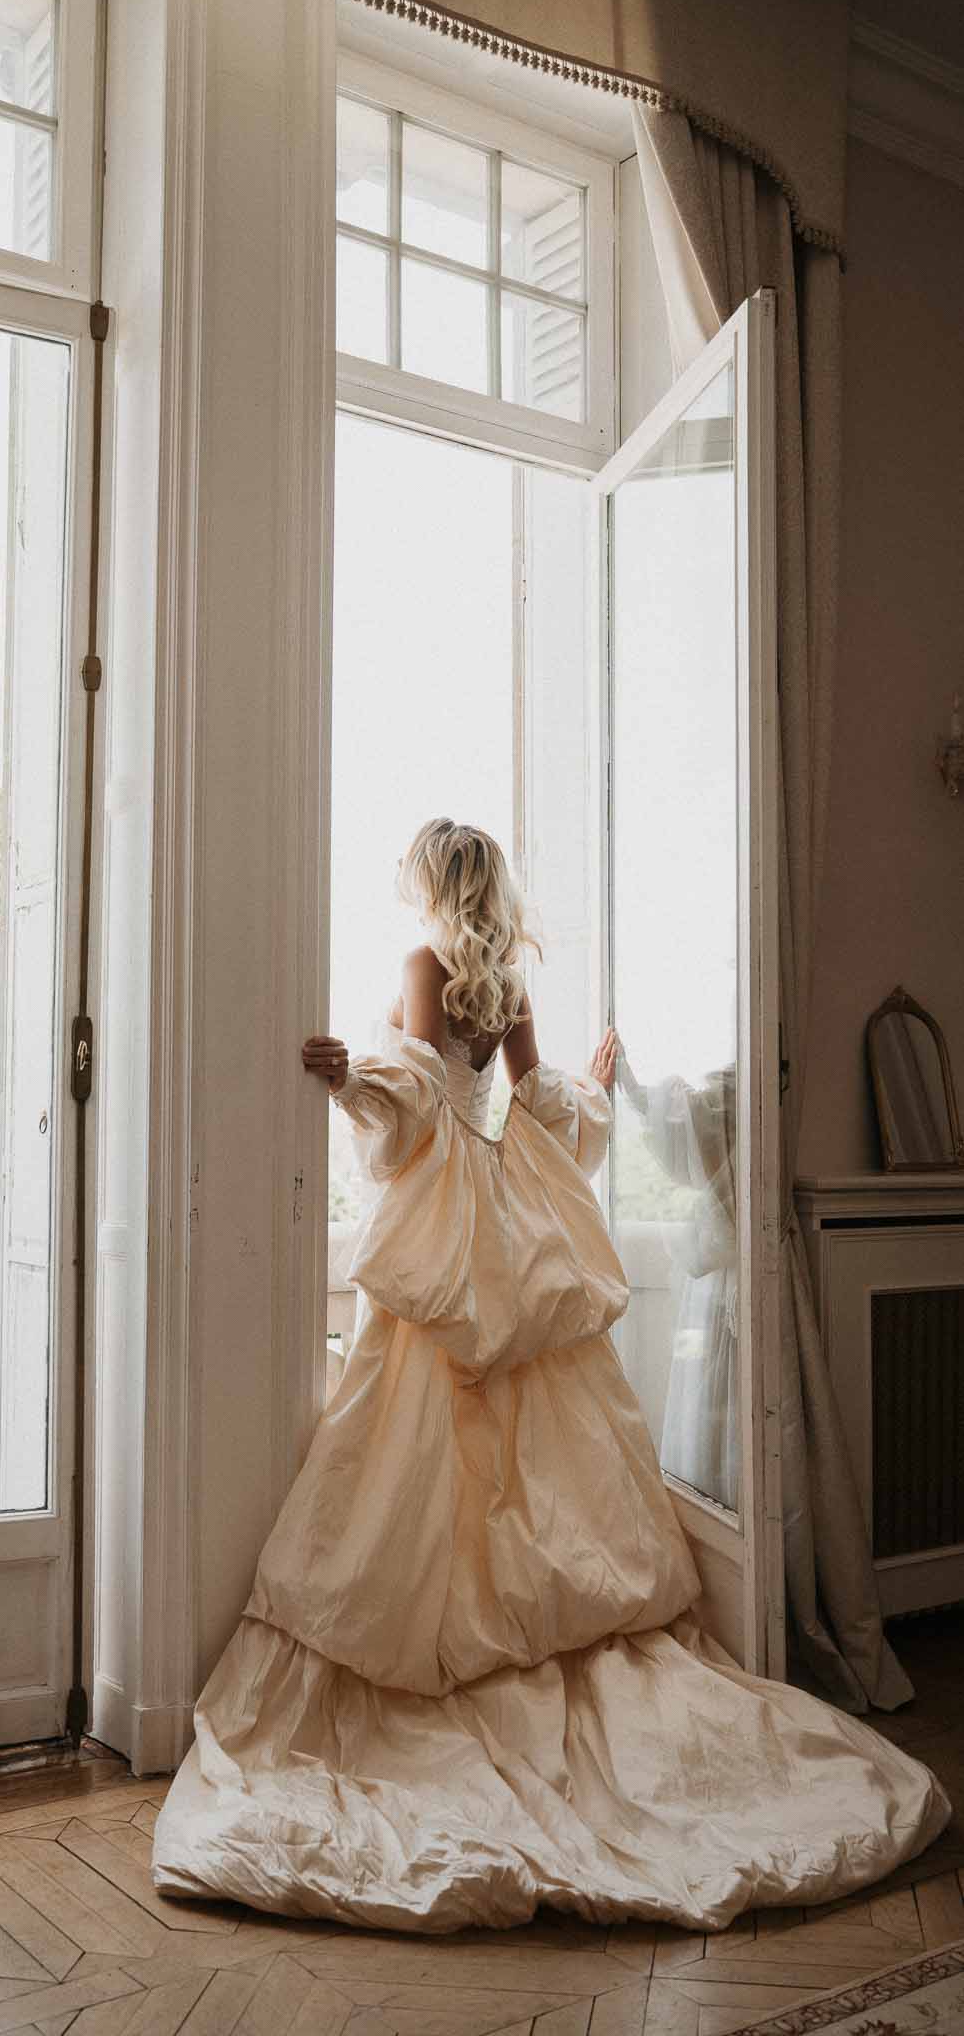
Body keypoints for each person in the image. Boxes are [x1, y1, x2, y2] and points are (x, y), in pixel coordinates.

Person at [150, 817, 949, 1934]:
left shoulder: (427, 963)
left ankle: (457, 1647)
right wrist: (591, 1084)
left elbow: (423, 1098)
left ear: (435, 886)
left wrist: (350, 1082)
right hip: (507, 1216)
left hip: (454, 1219)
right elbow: (535, 1108)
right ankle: (527, 1628)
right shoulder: (508, 976)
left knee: (418, 1441)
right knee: (526, 1443)